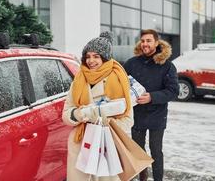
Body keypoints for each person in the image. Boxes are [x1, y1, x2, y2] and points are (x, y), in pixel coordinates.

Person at [62, 31, 134, 181]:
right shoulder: (79, 79)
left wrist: (107, 122)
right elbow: (66, 114)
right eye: (87, 56)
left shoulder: (119, 80)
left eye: (96, 56)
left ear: (105, 58)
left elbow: (128, 120)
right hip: (81, 143)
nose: (91, 61)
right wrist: (81, 114)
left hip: (107, 146)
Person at [123, 29, 179, 181]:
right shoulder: (132, 63)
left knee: (156, 151)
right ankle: (142, 178)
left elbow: (173, 91)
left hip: (157, 115)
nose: (145, 44)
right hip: (138, 115)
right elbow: (121, 83)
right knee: (138, 152)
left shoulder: (167, 65)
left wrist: (152, 97)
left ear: (156, 42)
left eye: (148, 41)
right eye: (143, 41)